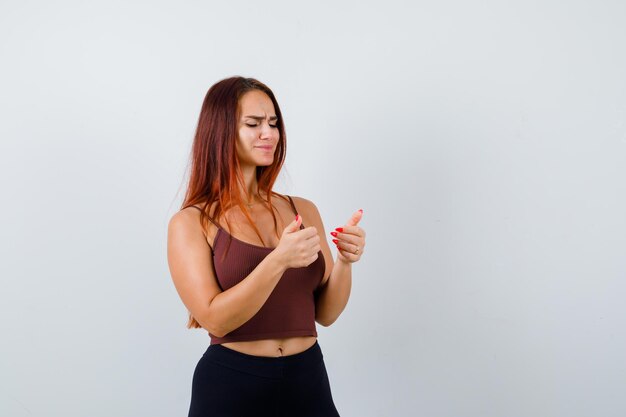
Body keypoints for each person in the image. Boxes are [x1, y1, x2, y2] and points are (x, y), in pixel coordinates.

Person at [167, 76, 366, 417]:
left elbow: (327, 314)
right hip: (231, 385)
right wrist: (278, 261)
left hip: (308, 380)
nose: (269, 133)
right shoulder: (191, 222)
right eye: (254, 124)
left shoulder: (302, 209)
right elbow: (216, 320)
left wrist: (346, 261)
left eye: (273, 123)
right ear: (221, 131)